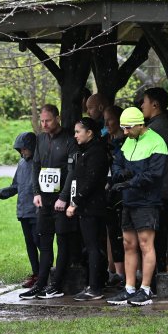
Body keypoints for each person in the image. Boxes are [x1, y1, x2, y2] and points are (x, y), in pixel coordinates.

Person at [106, 107, 168, 307]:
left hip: (147, 201)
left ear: (140, 124)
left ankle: (146, 289)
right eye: (123, 128)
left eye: (128, 128)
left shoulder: (157, 142)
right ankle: (129, 287)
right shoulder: (128, 141)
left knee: (145, 244)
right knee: (128, 244)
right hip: (129, 200)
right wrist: (119, 174)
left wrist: (129, 182)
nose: (124, 132)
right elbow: (117, 162)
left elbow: (154, 175)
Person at [20, 104, 79, 300]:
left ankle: (56, 285)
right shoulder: (40, 140)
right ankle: (41, 282)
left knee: (62, 242)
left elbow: (73, 171)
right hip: (44, 200)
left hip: (61, 200)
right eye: (42, 121)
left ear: (57, 118)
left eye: (48, 120)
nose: (44, 124)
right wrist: (36, 192)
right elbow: (36, 166)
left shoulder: (70, 140)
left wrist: (64, 197)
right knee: (44, 243)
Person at [64, 117, 110, 301]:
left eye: (78, 132)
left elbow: (90, 182)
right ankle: (95, 283)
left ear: (89, 132)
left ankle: (95, 287)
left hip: (92, 207)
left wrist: (75, 202)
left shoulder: (96, 153)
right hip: (87, 207)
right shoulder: (85, 152)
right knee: (91, 246)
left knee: (93, 247)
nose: (75, 136)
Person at [0, 132, 39, 288]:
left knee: (41, 244)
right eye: (20, 150)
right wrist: (1, 193)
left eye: (24, 149)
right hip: (23, 212)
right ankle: (36, 274)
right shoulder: (22, 164)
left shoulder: (39, 162)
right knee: (30, 245)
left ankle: (44, 276)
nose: (22, 153)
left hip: (37, 212)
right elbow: (16, 186)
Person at [137, 86, 168, 274]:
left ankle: (154, 278)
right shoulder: (161, 126)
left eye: (145, 101)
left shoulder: (155, 130)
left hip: (156, 191)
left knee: (153, 239)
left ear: (155, 104)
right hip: (161, 189)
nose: (142, 105)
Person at [102, 104, 126, 286]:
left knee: (124, 233)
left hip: (123, 190)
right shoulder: (104, 140)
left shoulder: (125, 141)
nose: (106, 123)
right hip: (108, 191)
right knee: (111, 231)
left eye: (109, 119)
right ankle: (115, 271)